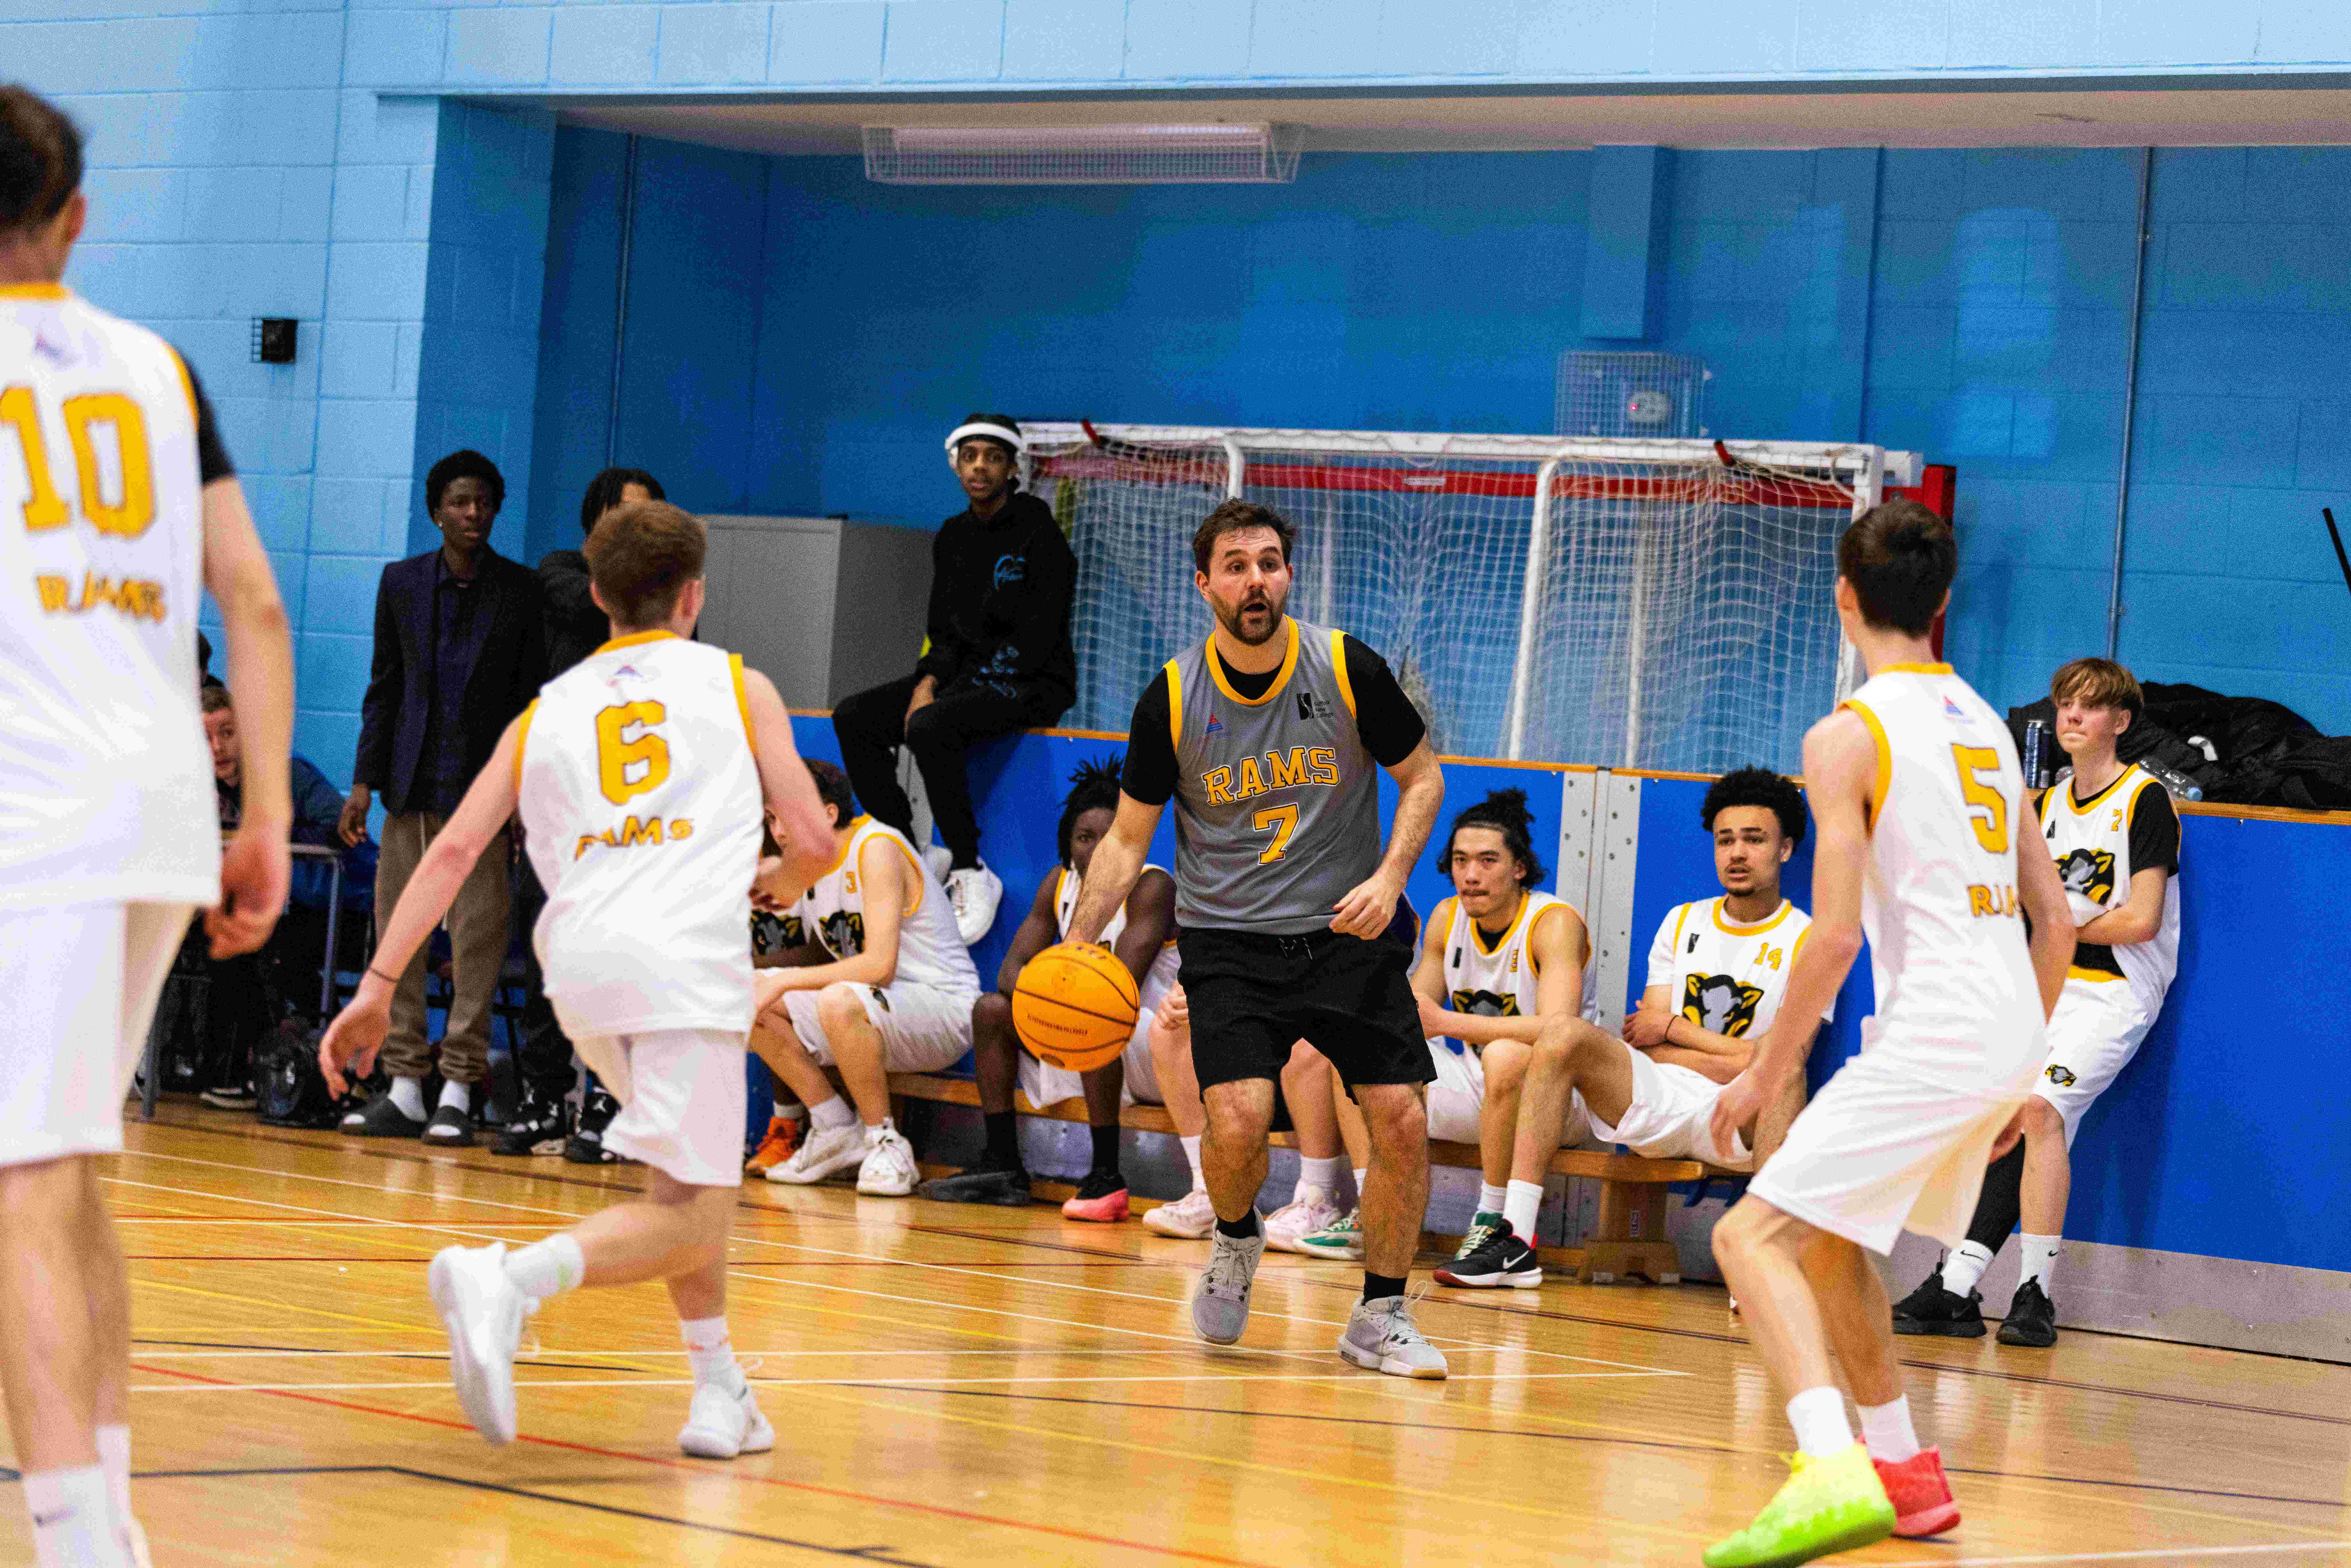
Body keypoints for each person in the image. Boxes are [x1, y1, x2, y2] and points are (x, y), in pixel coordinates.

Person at [319, 500, 833, 1457]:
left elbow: (454, 849)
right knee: (688, 1216)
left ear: (597, 596)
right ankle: (509, 1278)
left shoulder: (545, 710)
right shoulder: (735, 684)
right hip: (682, 959)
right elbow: (812, 838)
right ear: (695, 595)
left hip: (582, 966)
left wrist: (381, 981)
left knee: (684, 1191)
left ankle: (721, 1388)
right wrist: (780, 880)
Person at [1, 82, 294, 1568]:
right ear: (77, 219)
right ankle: (106, 1505)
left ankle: (71, 1539)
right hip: (162, 801)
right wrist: (266, 812)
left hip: (31, 814)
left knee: (23, 1180)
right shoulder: (161, 368)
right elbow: (249, 597)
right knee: (73, 1156)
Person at [1700, 500, 2074, 1567]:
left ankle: (1826, 1469)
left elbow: (1826, 937)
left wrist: (1758, 1076)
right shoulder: (1990, 726)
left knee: (1746, 1236)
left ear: (1842, 597)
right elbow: (2052, 919)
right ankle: (1906, 1474)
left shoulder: (1845, 733)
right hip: (2001, 1017)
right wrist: (2018, 1068)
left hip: (1941, 1023)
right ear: (1942, 602)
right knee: (1828, 1238)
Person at [1064, 498, 1450, 1379]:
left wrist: (1392, 877)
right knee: (1237, 1120)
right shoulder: (1171, 696)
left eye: (1270, 563)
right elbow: (1127, 839)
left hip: (1347, 932)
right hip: (1230, 940)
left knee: (1400, 1120)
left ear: (1288, 575)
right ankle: (1236, 1237)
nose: (1256, 581)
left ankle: (1380, 1314)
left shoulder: (1346, 667)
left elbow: (1422, 779)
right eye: (1236, 566)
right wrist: (1079, 944)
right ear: (1205, 584)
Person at [1439, 768, 1826, 1289]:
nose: (1736, 853)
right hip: (1662, 1099)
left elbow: (1784, 1058)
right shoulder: (1682, 921)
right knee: (1563, 1034)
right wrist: (1732, 1051)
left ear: (1784, 849)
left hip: (1741, 1116)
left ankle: (1764, 1258)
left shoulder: (1809, 939)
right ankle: (1516, 1238)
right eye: (1725, 839)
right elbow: (1650, 1047)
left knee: (1784, 1076)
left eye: (1753, 839)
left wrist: (1675, 1029)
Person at [1893, 656, 2181, 1348]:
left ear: (2120, 721)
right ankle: (1957, 1288)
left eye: (2088, 706)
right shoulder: (2045, 805)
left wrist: (2061, 924)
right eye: (2064, 705)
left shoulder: (2143, 800)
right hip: (2047, 987)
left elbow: (2140, 919)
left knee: (2040, 1109)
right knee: (2007, 1117)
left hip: (2116, 987)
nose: (2071, 717)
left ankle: (2034, 1293)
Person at [337, 448, 547, 1146]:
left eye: (485, 502)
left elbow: (530, 701)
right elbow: (384, 686)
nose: (474, 514)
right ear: (436, 511)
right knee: (399, 929)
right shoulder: (400, 583)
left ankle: (459, 1082)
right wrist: (363, 782)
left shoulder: (520, 592)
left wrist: (521, 794)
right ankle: (403, 1083)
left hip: (483, 790)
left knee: (480, 937)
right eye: (460, 502)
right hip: (409, 781)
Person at [831, 414, 1077, 944]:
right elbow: (943, 632)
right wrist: (928, 682)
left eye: (992, 456)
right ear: (956, 465)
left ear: (1012, 467)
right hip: (965, 679)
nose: (980, 466)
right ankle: (911, 852)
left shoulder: (1041, 534)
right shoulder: (952, 536)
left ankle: (969, 867)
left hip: (1033, 683)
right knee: (854, 716)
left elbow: (1039, 637)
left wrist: (950, 696)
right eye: (970, 457)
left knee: (930, 728)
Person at [919, 757, 1180, 1219]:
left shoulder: (1152, 886)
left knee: (1094, 1016)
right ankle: (1002, 1162)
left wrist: (1052, 993)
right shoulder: (1058, 884)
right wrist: (1046, 997)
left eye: (1109, 837)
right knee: (991, 1010)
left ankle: (1106, 1175)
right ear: (1068, 843)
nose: (1098, 849)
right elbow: (1009, 973)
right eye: (1085, 837)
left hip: (1158, 1050)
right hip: (1095, 1041)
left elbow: (1120, 988)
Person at [1353, 788, 1591, 1291]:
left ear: (1520, 868)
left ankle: (1492, 1220)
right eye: (1460, 860)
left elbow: (1557, 1029)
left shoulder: (1554, 923)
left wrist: (1449, 1023)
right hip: (1479, 1082)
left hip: (1555, 1097)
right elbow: (1417, 1011)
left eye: (1488, 861)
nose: (1471, 874)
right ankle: (1367, 1207)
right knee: (1356, 1050)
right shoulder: (1446, 916)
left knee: (1507, 1056)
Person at [498, 465, 667, 1160]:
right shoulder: (561, 572)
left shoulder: (665, 595)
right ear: (596, 517)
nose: (644, 528)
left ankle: (606, 1103)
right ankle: (542, 1097)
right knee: (546, 948)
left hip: (629, 797)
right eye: (631, 514)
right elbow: (591, 604)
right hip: (559, 795)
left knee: (613, 949)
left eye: (654, 516)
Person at [755, 759, 984, 1196]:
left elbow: (880, 966)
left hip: (942, 1008)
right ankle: (833, 1128)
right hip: (874, 1009)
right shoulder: (808, 867)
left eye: (786, 815)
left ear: (828, 814)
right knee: (745, 997)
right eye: (771, 818)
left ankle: (885, 1141)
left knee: (836, 999)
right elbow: (812, 952)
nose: (779, 830)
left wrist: (784, 981)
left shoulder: (876, 846)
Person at [192, 685, 349, 1108]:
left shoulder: (288, 776)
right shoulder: (198, 789)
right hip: (247, 913)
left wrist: (271, 839)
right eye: (206, 738)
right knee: (221, 944)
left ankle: (322, 1068)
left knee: (268, 955)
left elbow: (339, 825)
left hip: (322, 909)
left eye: (228, 733)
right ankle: (236, 1071)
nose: (218, 748)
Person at [1140, 985, 1357, 1248]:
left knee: (1310, 1040)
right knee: (1171, 1029)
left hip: (1301, 1025)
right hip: (1254, 1030)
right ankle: (1211, 1192)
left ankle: (1317, 1199)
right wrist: (1181, 996)